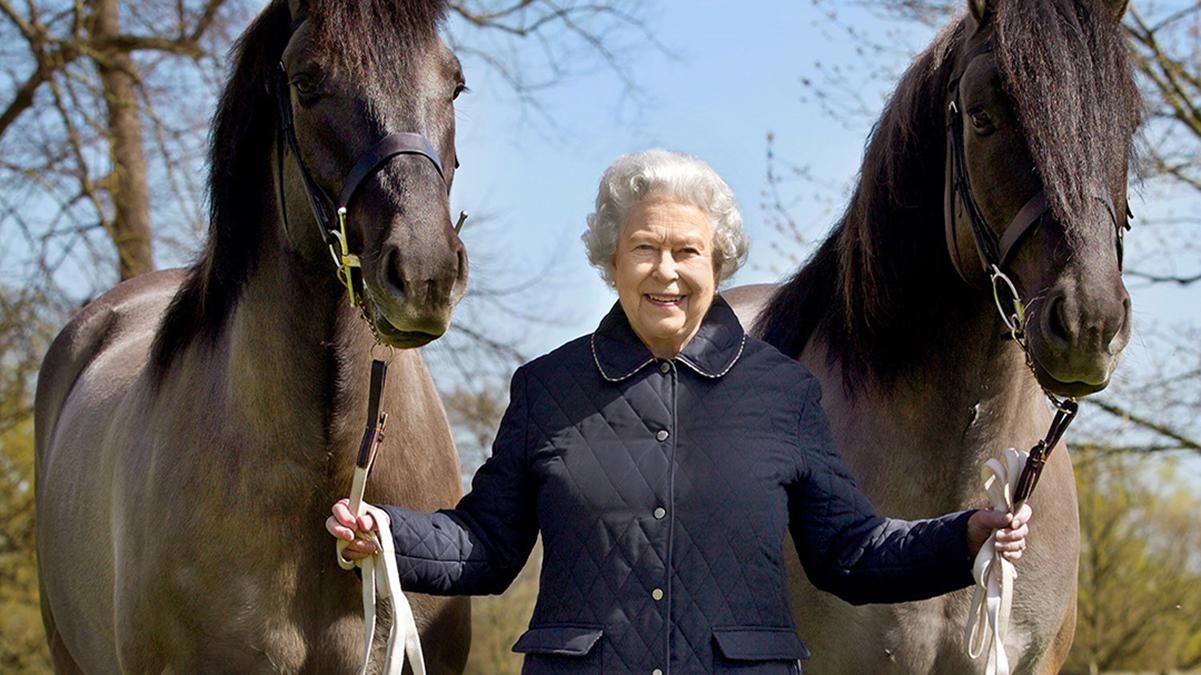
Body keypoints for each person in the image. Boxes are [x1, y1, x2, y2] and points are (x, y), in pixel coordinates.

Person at [328, 149, 1030, 674]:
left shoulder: (784, 393)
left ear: (716, 261)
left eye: (686, 250)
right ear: (611, 259)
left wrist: (964, 536)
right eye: (643, 248)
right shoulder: (548, 386)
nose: (666, 270)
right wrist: (387, 534)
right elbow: (485, 545)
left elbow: (849, 552)